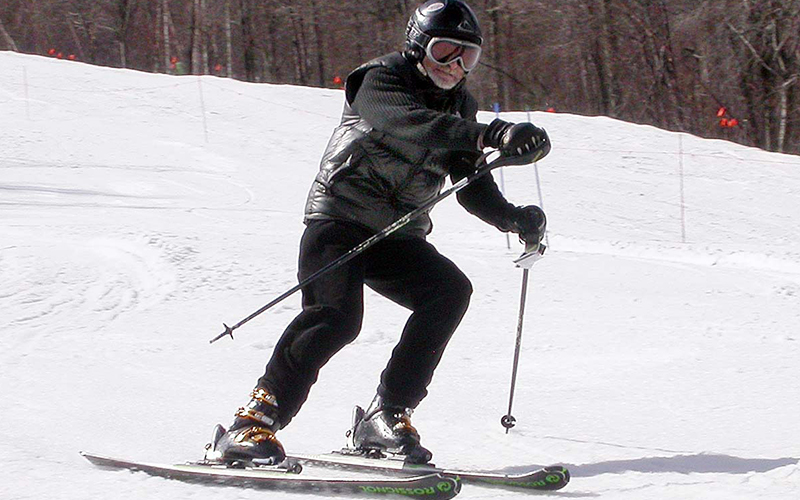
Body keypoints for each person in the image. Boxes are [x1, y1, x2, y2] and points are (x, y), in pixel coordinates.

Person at [215, 0, 550, 465]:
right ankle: (251, 424)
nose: (455, 66)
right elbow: (408, 123)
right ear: (417, 47)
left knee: (448, 291)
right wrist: (488, 133)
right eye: (445, 51)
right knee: (335, 318)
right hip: (338, 218)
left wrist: (515, 218)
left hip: (397, 233)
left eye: (467, 56)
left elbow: (472, 185)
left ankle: (386, 416)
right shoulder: (379, 79)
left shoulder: (459, 107)